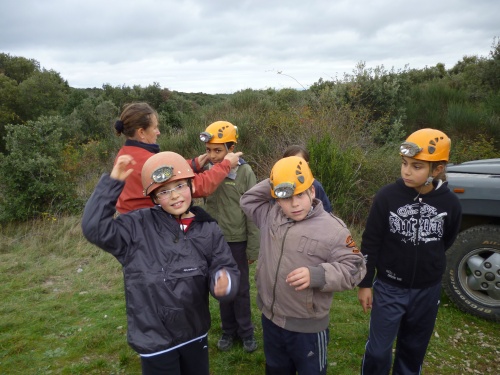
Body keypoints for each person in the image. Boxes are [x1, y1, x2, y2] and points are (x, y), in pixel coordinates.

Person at [81, 151, 240, 375]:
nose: (174, 196)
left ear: (192, 186)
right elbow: (95, 229)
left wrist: (224, 282)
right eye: (164, 191)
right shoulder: (137, 226)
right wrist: (112, 184)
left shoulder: (208, 228)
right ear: (154, 198)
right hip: (154, 339)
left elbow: (224, 266)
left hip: (194, 332)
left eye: (180, 186)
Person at [240, 156, 367, 375]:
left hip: (307, 329)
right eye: (286, 197)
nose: (294, 203)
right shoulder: (271, 216)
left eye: (300, 194)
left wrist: (318, 275)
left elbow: (356, 267)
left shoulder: (333, 229)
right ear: (277, 199)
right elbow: (248, 200)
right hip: (271, 320)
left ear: (313, 192)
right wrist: (277, 179)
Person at [357, 128, 462, 375]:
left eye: (417, 166)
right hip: (389, 286)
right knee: (378, 351)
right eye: (404, 164)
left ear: (437, 170)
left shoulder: (450, 203)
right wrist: (365, 283)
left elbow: (446, 239)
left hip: (427, 290)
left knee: (413, 350)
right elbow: (370, 242)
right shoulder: (387, 197)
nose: (406, 171)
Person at [114, 102, 241, 214]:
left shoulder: (125, 154)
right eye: (155, 127)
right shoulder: (146, 160)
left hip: (131, 223)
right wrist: (226, 164)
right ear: (141, 132)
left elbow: (168, 170)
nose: (158, 132)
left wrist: (195, 163)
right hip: (148, 227)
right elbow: (199, 186)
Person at [199, 120, 260, 352]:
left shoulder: (245, 171)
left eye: (218, 150)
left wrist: (253, 248)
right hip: (216, 242)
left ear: (231, 149)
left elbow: (253, 212)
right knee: (221, 287)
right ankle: (228, 331)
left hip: (238, 242)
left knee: (241, 289)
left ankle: (246, 332)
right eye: (209, 150)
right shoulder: (208, 172)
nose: (213, 156)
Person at [282, 144, 333, 213]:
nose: (295, 166)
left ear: (307, 164)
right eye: (290, 162)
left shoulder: (315, 185)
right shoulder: (279, 186)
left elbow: (327, 210)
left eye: (299, 162)